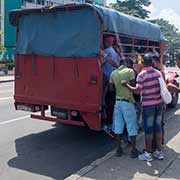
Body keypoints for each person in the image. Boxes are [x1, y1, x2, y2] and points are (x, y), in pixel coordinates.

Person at [122, 53, 164, 161]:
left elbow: (137, 90)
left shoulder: (142, 75)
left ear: (143, 63)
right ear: (152, 62)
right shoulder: (158, 73)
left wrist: (126, 85)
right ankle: (159, 152)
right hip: (158, 105)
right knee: (158, 128)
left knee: (149, 130)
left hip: (148, 106)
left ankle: (148, 154)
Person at [110, 58, 139, 158]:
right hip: (127, 102)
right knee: (131, 126)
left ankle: (118, 149)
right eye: (130, 63)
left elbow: (111, 88)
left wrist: (118, 88)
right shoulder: (130, 71)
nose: (131, 65)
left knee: (118, 127)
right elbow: (133, 85)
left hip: (117, 103)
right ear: (126, 63)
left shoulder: (113, 73)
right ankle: (133, 150)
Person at [101, 36, 120, 119]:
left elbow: (100, 62)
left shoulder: (106, 52)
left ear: (107, 42)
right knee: (111, 96)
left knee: (102, 97)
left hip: (106, 76)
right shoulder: (114, 52)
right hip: (113, 77)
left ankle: (103, 114)